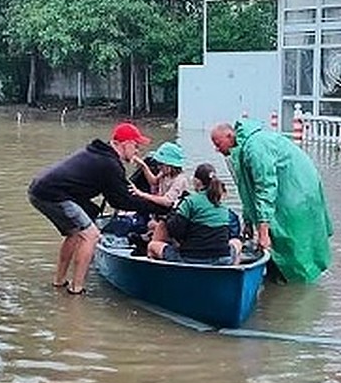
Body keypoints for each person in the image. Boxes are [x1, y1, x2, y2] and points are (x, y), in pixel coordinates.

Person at [28, 122, 161, 295]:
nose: (137, 152)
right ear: (125, 144)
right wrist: (157, 206)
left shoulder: (101, 154)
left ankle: (59, 282)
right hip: (52, 194)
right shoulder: (110, 164)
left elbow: (115, 196)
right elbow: (121, 201)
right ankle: (76, 289)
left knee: (74, 233)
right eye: (136, 146)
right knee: (91, 235)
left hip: (39, 189)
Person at [210, 118, 333, 283]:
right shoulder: (243, 149)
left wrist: (263, 231)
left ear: (229, 135)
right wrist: (248, 221)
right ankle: (281, 284)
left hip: (297, 195)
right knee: (282, 246)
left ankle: (296, 287)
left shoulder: (255, 147)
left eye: (218, 144)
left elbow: (265, 188)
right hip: (291, 193)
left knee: (291, 243)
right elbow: (248, 190)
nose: (217, 149)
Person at [147, 163, 241, 265]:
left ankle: (158, 275)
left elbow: (176, 230)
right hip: (222, 258)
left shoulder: (190, 201)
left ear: (197, 181)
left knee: (152, 246)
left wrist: (170, 216)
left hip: (190, 258)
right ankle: (232, 270)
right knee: (237, 242)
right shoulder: (222, 204)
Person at [131, 141, 191, 206]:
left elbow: (167, 201)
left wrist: (141, 194)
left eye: (161, 164)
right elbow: (154, 182)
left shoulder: (180, 180)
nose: (159, 167)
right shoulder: (164, 173)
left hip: (172, 211)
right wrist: (143, 166)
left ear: (171, 165)